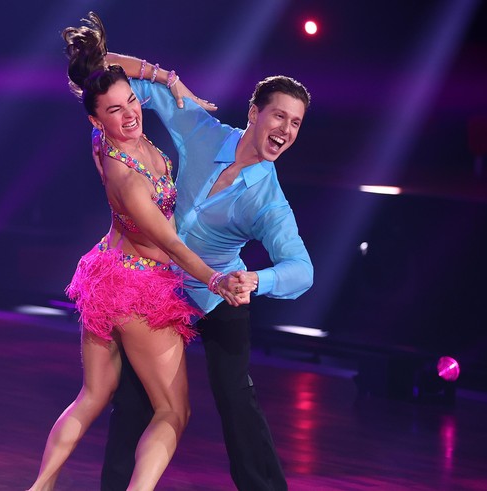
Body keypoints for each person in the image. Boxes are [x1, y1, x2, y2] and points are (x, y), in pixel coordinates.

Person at [27, 13, 255, 491]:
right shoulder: (126, 178)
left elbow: (101, 68)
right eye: (115, 110)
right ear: (95, 119)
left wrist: (170, 81)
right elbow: (170, 244)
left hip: (106, 271)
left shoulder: (105, 136)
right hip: (138, 289)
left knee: (94, 394)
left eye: (131, 101)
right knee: (173, 410)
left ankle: (41, 486)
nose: (130, 114)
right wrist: (214, 280)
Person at [99, 49, 314, 490]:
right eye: (279, 117)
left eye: (295, 124)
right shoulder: (202, 129)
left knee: (236, 396)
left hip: (217, 292)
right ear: (254, 113)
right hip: (161, 287)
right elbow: (114, 85)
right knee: (134, 399)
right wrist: (163, 80)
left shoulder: (268, 201)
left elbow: (302, 269)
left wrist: (257, 280)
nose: (285, 131)